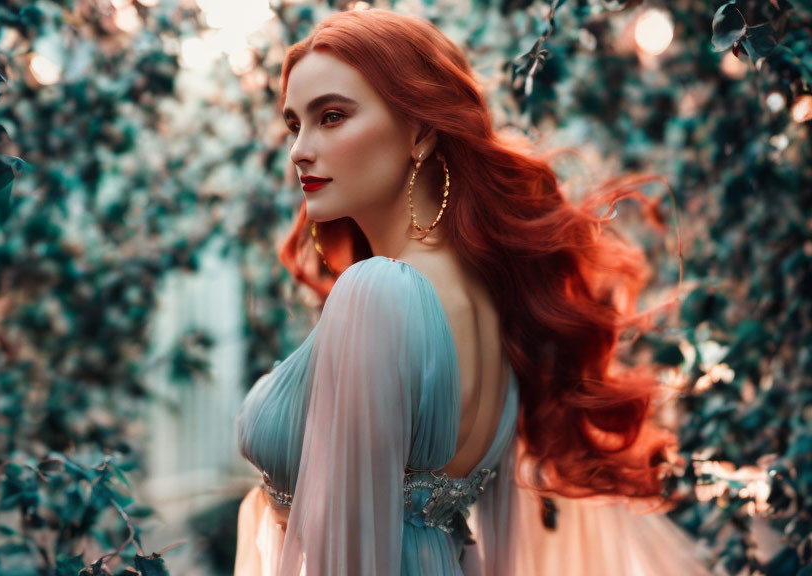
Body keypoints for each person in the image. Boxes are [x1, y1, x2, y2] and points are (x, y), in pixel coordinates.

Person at [234, 8, 714, 575]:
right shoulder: (489, 290)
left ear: (421, 131)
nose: (300, 149)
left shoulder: (380, 292)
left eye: (332, 116)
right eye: (295, 124)